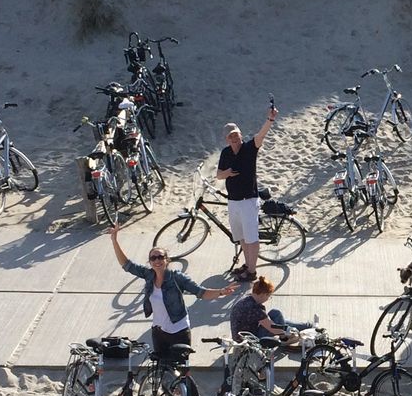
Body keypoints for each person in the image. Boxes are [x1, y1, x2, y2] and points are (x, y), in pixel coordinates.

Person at [109, 225, 237, 354]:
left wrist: (221, 292)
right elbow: (126, 264)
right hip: (158, 330)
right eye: (153, 258)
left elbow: (201, 292)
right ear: (150, 262)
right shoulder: (149, 275)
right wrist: (114, 240)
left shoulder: (176, 277)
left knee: (182, 369)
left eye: (160, 257)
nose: (157, 260)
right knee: (161, 368)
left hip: (179, 330)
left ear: (167, 260)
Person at [216, 104, 278, 283]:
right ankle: (247, 264)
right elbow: (219, 175)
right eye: (231, 136)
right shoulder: (226, 153)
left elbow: (261, 135)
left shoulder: (250, 148)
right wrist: (227, 173)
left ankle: (252, 271)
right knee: (241, 236)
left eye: (236, 134)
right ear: (227, 139)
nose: (234, 138)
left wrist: (270, 119)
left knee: (251, 237)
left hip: (248, 200)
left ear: (240, 135)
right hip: (233, 201)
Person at [229, 276, 311, 349]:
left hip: (241, 336)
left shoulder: (246, 300)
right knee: (277, 317)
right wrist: (287, 334)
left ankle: (307, 326)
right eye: (269, 296)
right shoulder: (256, 309)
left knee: (276, 316)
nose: (268, 298)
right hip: (251, 341)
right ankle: (284, 340)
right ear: (263, 294)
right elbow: (273, 327)